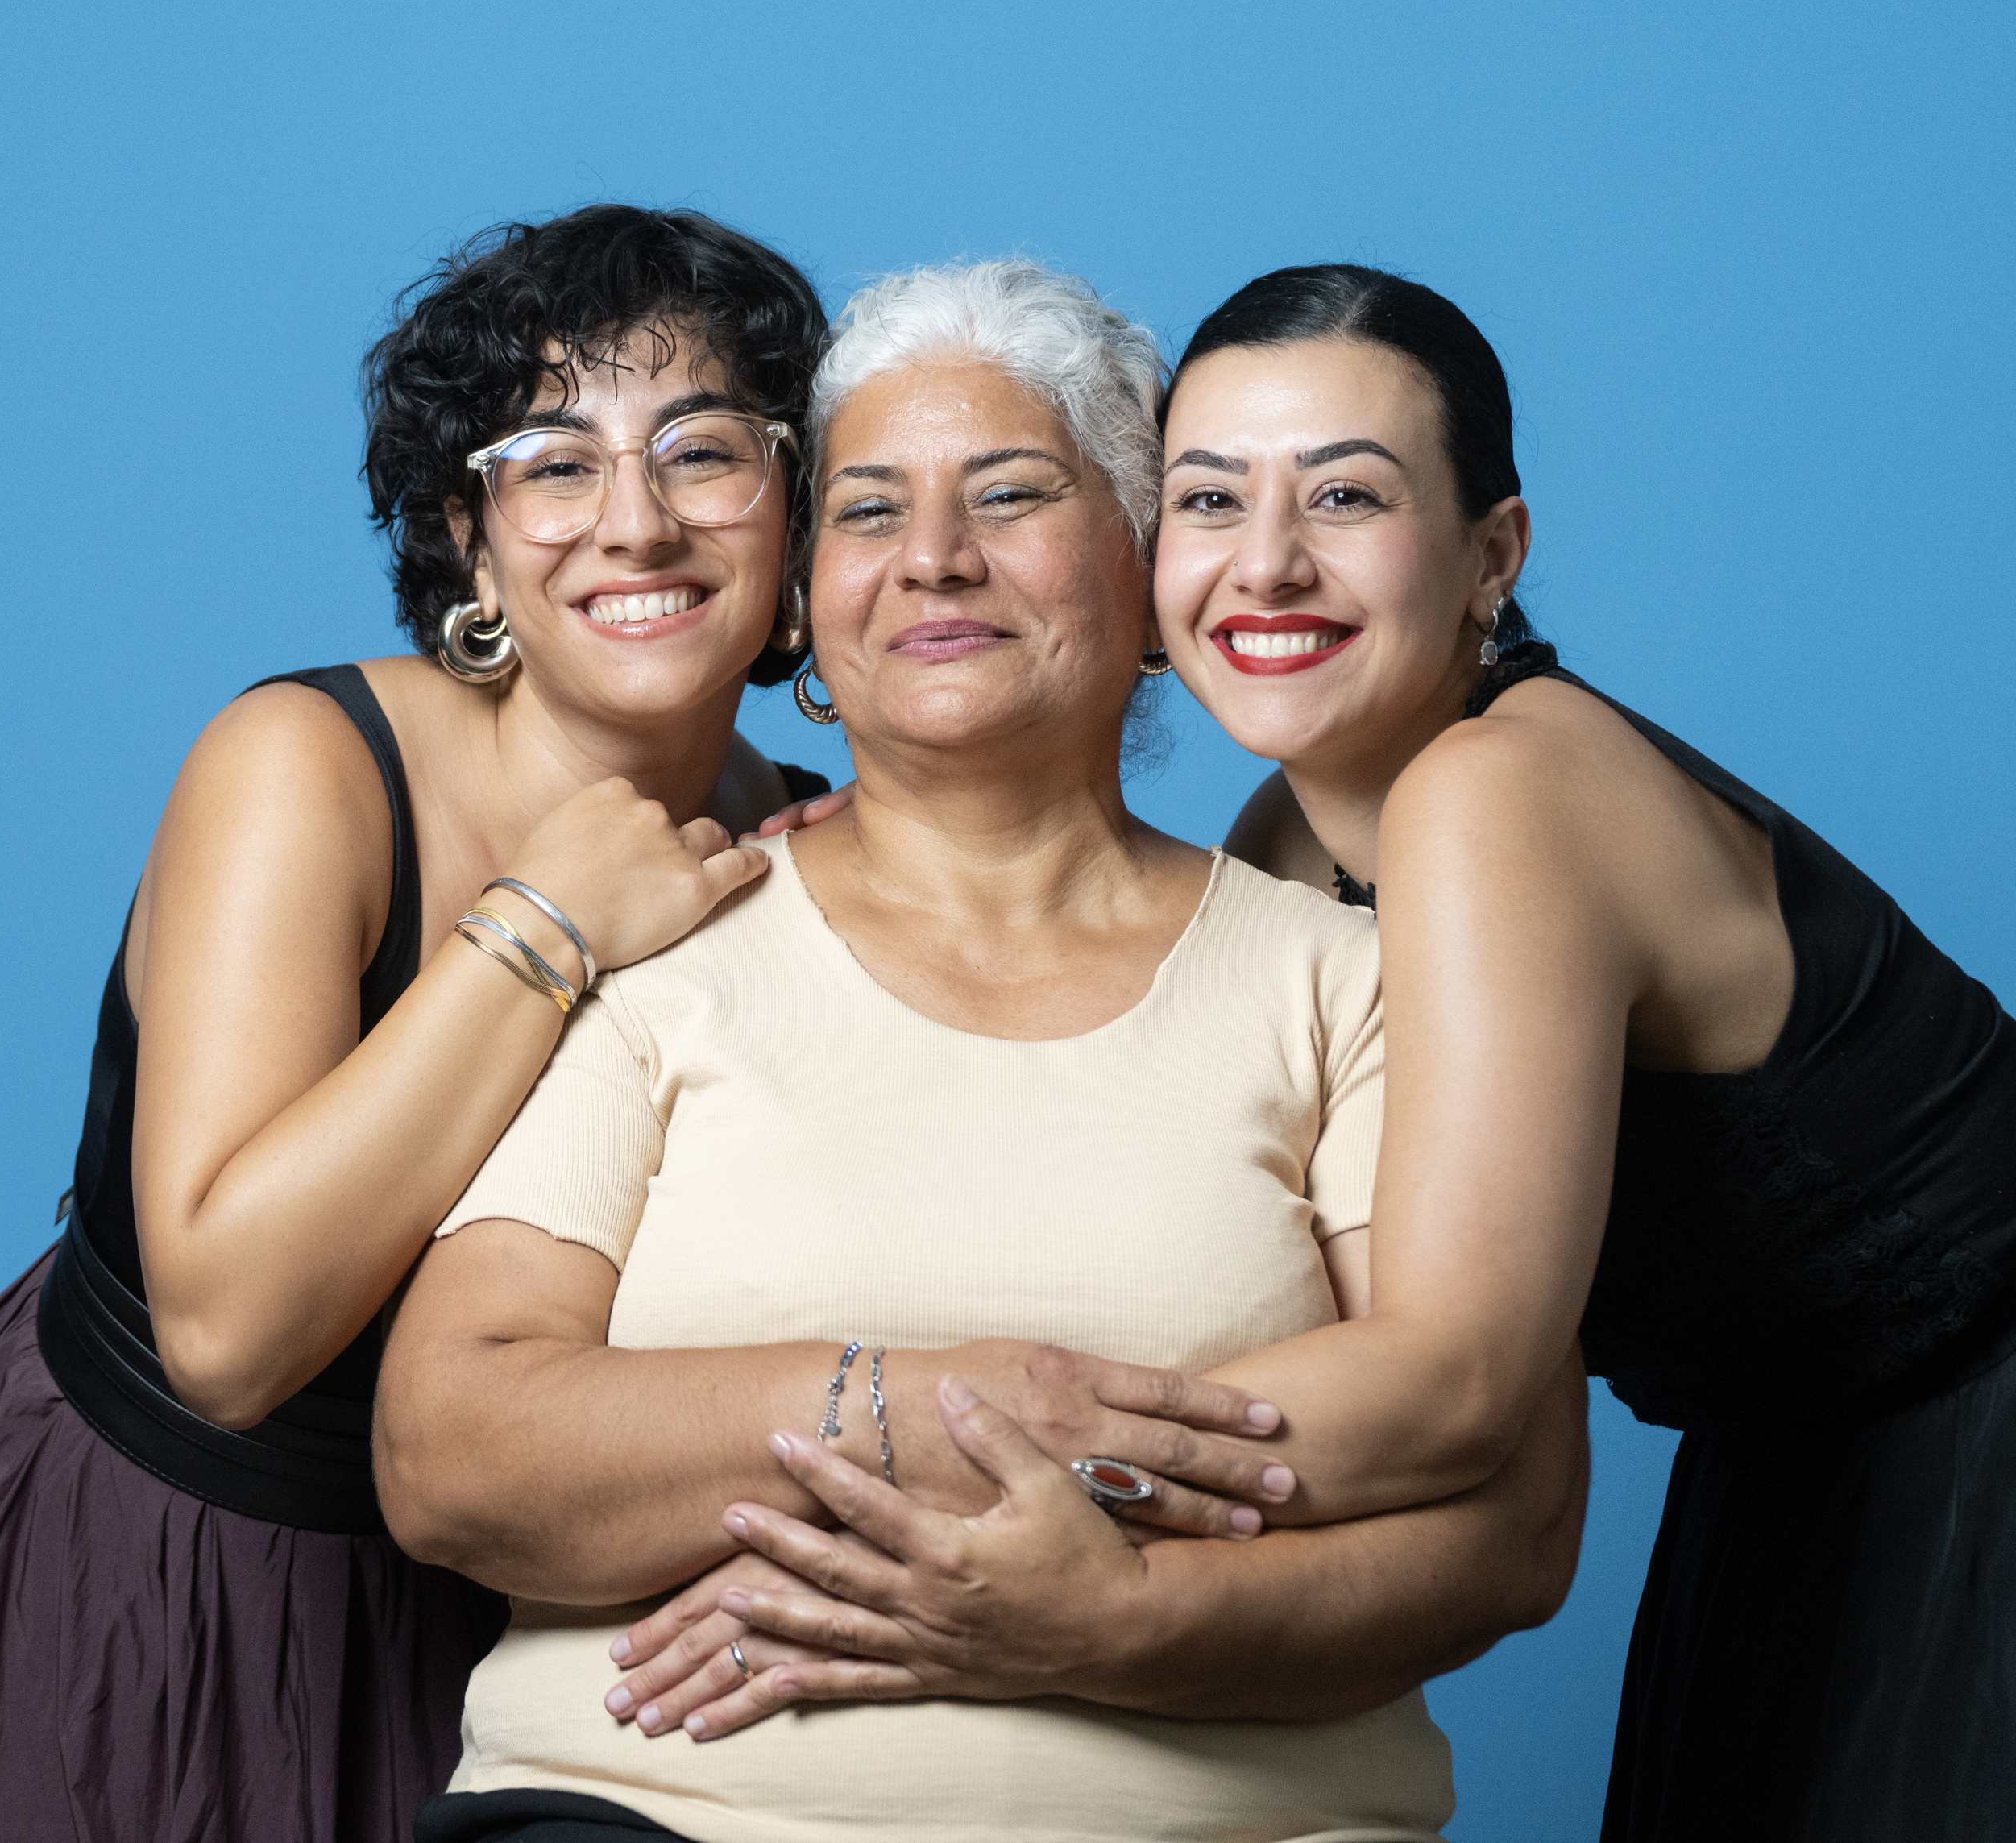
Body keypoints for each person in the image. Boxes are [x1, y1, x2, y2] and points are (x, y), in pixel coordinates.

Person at [1118, 264, 2016, 1839]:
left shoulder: (1496, 796)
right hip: (1796, 1462)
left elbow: (1457, 1381)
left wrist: (1018, 1473)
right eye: (1206, 501)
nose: (1264, 563)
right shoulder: (1278, 845)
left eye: (1343, 495)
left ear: (1490, 555)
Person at [375, 259, 1591, 1843]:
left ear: (1144, 560)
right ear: (805, 597)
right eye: (869, 512)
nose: (934, 559)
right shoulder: (659, 948)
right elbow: (451, 1450)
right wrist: (917, 1403)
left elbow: (1503, 1528)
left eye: (1008, 495)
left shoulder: (1345, 976)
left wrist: (1110, 1616)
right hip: (653, 1814)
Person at [0, 205, 845, 1843]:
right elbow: (225, 1334)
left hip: (523, 1635)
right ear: (470, 538)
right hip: (137, 1577)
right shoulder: (303, 766)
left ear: (790, 510)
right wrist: (545, 926)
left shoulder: (807, 848)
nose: (632, 522)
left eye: (702, 452)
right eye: (552, 463)